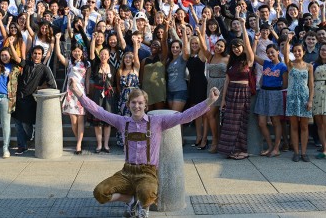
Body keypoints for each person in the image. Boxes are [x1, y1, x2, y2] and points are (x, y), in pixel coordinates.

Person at [68, 78, 219, 218]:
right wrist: (77, 92)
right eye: (133, 103)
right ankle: (132, 199)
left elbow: (184, 116)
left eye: (140, 103)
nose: (137, 106)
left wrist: (209, 101)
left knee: (147, 194)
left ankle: (142, 204)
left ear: (146, 105)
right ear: (128, 105)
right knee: (100, 193)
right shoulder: (123, 122)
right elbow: (98, 111)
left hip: (147, 172)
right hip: (126, 172)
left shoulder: (157, 122)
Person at [218, 19, 254, 160]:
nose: (236, 49)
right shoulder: (231, 62)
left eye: (238, 47)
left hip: (242, 93)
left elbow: (248, 45)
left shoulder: (248, 60)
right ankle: (230, 150)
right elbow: (227, 81)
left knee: (239, 123)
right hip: (231, 93)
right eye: (234, 48)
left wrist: (244, 27)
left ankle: (241, 150)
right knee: (229, 124)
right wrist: (223, 100)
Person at [12, 45, 57, 155]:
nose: (37, 56)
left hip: (30, 100)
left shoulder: (45, 68)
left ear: (42, 56)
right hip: (18, 98)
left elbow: (53, 84)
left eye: (39, 54)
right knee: (18, 125)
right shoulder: (27, 63)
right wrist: (12, 45)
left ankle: (30, 135)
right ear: (31, 54)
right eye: (35, 53)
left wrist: (39, 88)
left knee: (26, 124)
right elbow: (17, 59)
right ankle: (22, 146)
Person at [252, 40, 288, 158]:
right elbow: (252, 56)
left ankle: (276, 148)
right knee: (262, 122)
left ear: (278, 52)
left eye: (272, 52)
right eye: (268, 53)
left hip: (275, 94)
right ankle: (270, 145)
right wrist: (255, 41)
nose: (270, 55)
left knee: (275, 122)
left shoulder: (282, 66)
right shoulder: (266, 63)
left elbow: (285, 84)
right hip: (263, 93)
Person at [55, 34, 90, 154]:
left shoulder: (86, 64)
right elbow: (59, 55)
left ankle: (78, 144)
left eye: (79, 51)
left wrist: (87, 94)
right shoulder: (70, 63)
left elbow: (87, 80)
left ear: (82, 52)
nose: (77, 53)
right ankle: (78, 140)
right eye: (75, 51)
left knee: (80, 120)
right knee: (73, 121)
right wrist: (57, 40)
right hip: (70, 94)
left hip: (81, 93)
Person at [198, 22, 230, 154]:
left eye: (221, 46)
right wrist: (200, 33)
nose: (219, 47)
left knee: (211, 114)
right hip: (210, 86)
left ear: (225, 48)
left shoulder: (228, 58)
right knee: (212, 115)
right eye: (217, 45)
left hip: (222, 86)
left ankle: (216, 141)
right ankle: (216, 140)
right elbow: (202, 45)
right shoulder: (210, 57)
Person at [282, 38, 314, 162]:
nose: (297, 53)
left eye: (299, 51)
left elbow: (311, 85)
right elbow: (285, 55)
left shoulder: (309, 66)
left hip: (304, 97)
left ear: (303, 52)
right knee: (294, 126)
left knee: (304, 126)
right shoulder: (290, 64)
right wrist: (287, 41)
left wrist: (310, 100)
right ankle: (296, 152)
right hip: (292, 98)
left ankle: (304, 152)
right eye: (295, 51)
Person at [89, 47, 116, 153]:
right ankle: (99, 145)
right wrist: (93, 41)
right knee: (98, 122)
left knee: (107, 122)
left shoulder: (113, 68)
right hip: (97, 95)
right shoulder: (96, 66)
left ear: (109, 56)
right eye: (101, 54)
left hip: (109, 96)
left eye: (105, 54)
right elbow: (91, 54)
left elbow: (115, 83)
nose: (103, 56)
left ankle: (106, 145)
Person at [116, 40, 141, 147]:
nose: (128, 59)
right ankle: (124, 141)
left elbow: (135, 55)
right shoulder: (120, 71)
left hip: (135, 98)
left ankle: (136, 141)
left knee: (136, 119)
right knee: (125, 120)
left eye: (130, 58)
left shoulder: (136, 69)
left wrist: (135, 45)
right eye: (126, 57)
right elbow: (118, 85)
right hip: (123, 99)